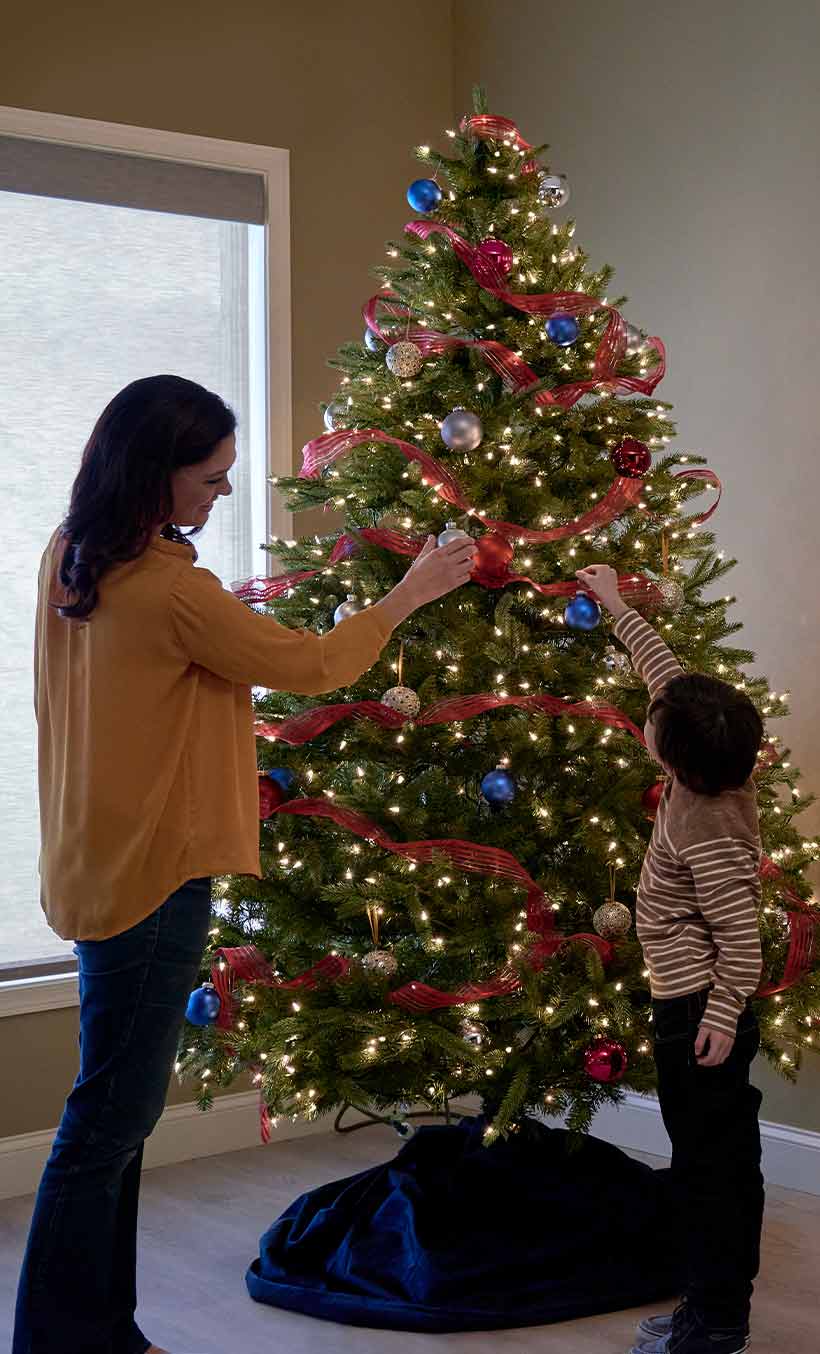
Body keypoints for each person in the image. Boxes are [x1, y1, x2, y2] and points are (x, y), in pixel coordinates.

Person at [14, 374, 477, 1354]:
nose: (222, 492)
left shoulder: (74, 553)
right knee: (110, 1120)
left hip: (92, 860)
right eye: (213, 476)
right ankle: (60, 1334)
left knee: (113, 1118)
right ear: (157, 471)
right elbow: (311, 667)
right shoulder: (172, 590)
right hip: (151, 873)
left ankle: (100, 1325)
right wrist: (408, 592)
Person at [575, 565, 764, 1354]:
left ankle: (715, 1323)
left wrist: (718, 1018)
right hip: (691, 1007)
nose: (647, 716)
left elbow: (742, 940)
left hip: (698, 1015)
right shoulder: (705, 763)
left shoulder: (708, 825)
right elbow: (664, 676)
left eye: (653, 722)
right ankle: (705, 1307)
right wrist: (617, 605)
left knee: (711, 1170)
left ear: (669, 753)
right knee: (708, 1162)